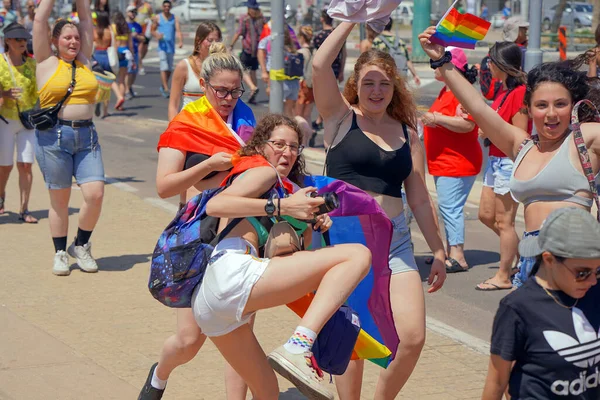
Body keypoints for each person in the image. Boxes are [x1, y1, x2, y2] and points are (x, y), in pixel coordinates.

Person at [192, 113, 371, 400]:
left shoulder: (285, 190)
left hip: (212, 305)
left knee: (267, 392)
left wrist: (310, 224)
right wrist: (283, 207)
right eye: (278, 144)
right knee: (358, 256)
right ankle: (298, 346)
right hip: (232, 272)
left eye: (293, 146)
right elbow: (216, 205)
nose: (286, 152)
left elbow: (289, 255)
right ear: (261, 145)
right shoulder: (263, 173)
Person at [313, 21, 447, 398]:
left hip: (396, 242)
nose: (376, 90)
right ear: (356, 84)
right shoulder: (340, 117)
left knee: (412, 337)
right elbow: (320, 67)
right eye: (369, 82)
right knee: (352, 341)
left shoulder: (408, 132)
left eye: (384, 83)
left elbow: (419, 197)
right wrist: (351, 18)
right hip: (343, 241)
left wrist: (439, 250)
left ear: (395, 87)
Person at [418, 27, 600, 290]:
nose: (551, 114)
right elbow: (478, 108)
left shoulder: (585, 138)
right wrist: (441, 62)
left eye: (560, 104)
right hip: (530, 263)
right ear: (529, 108)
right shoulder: (522, 145)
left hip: (574, 260)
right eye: (541, 105)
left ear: (573, 106)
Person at [139, 43, 255, 400]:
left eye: (235, 91)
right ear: (203, 84)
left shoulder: (246, 117)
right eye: (221, 90)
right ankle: (159, 375)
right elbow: (163, 187)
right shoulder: (186, 123)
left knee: (240, 333)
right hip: (197, 237)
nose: (228, 98)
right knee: (190, 340)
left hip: (241, 231)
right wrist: (206, 166)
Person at [483, 207, 600, 399]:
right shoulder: (518, 308)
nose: (593, 281)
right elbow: (497, 381)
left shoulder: (594, 292)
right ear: (549, 259)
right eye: (583, 273)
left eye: (599, 271)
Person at [33, 0, 104, 276]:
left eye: (76, 37)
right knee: (60, 201)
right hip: (54, 138)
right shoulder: (45, 60)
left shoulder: (84, 59)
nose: (74, 41)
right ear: (55, 41)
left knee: (95, 194)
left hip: (87, 135)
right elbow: (40, 20)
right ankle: (60, 253)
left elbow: (86, 20)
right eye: (67, 37)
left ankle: (81, 245)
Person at [421, 47, 481, 274]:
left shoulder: (459, 91)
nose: (434, 67)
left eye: (437, 63)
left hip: (456, 161)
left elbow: (468, 124)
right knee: (448, 207)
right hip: (446, 161)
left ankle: (458, 256)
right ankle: (449, 251)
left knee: (450, 208)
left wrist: (436, 117)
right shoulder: (449, 89)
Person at [475, 41, 529, 290]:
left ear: (503, 65)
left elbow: (518, 135)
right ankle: (526, 257)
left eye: (491, 61)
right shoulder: (501, 90)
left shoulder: (519, 93)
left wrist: (489, 133)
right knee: (486, 216)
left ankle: (504, 275)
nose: (488, 65)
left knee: (504, 221)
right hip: (495, 160)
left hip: (508, 161)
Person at [0, 22, 37, 223]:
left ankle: (24, 209)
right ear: (7, 41)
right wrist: (3, 94)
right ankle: (1, 197)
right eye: (18, 39)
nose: (23, 42)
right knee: (4, 167)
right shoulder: (0, 63)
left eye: (24, 39)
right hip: (5, 121)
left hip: (27, 122)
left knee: (26, 165)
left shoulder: (32, 65)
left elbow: (38, 93)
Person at [168, 22, 221, 121]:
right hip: (189, 125)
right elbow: (173, 105)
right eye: (210, 40)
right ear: (198, 40)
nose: (214, 45)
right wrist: (174, 130)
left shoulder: (222, 67)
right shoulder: (184, 66)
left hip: (214, 127)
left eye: (217, 41)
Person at [311, 10, 346, 132]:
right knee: (330, 94)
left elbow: (314, 56)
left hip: (322, 70)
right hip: (335, 69)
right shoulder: (337, 34)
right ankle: (322, 118)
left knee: (321, 94)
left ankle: (321, 119)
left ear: (322, 19)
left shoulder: (319, 36)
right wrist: (341, 71)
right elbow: (344, 53)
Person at [229, 0, 263, 104]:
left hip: (255, 50)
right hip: (248, 49)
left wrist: (231, 45)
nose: (253, 11)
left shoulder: (260, 19)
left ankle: (253, 90)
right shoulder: (245, 19)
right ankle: (253, 89)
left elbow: (239, 32)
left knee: (251, 70)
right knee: (244, 69)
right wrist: (231, 44)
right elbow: (239, 32)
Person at [371, 19, 421, 86]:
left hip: (384, 76)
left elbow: (372, 59)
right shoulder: (400, 41)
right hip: (400, 75)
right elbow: (407, 60)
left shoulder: (377, 41)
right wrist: (415, 75)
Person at [151, 0, 182, 99]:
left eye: (168, 6)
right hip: (162, 47)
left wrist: (180, 41)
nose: (166, 8)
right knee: (163, 67)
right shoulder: (158, 17)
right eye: (165, 6)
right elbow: (152, 30)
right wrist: (157, 35)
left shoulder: (174, 18)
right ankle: (165, 88)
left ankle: (163, 85)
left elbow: (178, 30)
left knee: (169, 69)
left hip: (171, 47)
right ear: (162, 7)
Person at [111, 11, 135, 111]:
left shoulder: (112, 27)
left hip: (116, 52)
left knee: (111, 79)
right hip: (125, 52)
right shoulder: (127, 29)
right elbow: (131, 45)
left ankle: (118, 97)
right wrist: (133, 58)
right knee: (122, 79)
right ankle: (121, 103)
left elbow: (113, 43)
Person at [295, 26, 315, 132]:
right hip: (312, 84)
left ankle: (301, 137)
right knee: (307, 114)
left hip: (302, 84)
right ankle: (309, 134)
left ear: (302, 37)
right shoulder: (315, 51)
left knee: (298, 115)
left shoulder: (301, 52)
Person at [92, 11, 111, 118]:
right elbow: (113, 44)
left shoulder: (95, 31)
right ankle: (105, 111)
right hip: (107, 56)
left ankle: (97, 101)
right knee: (107, 84)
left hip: (97, 56)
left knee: (96, 83)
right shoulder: (109, 31)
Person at [125, 5, 142, 99]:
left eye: (135, 12)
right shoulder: (124, 25)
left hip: (135, 51)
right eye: (131, 11)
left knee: (134, 72)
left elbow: (142, 38)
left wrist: (137, 36)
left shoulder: (137, 25)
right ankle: (127, 90)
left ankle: (129, 87)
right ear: (127, 12)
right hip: (126, 51)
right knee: (128, 71)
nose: (133, 14)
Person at [133, 0, 153, 76]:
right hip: (137, 30)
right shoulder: (133, 6)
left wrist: (151, 21)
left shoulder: (147, 6)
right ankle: (140, 67)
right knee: (139, 50)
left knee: (145, 49)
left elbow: (152, 15)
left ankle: (139, 61)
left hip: (146, 30)